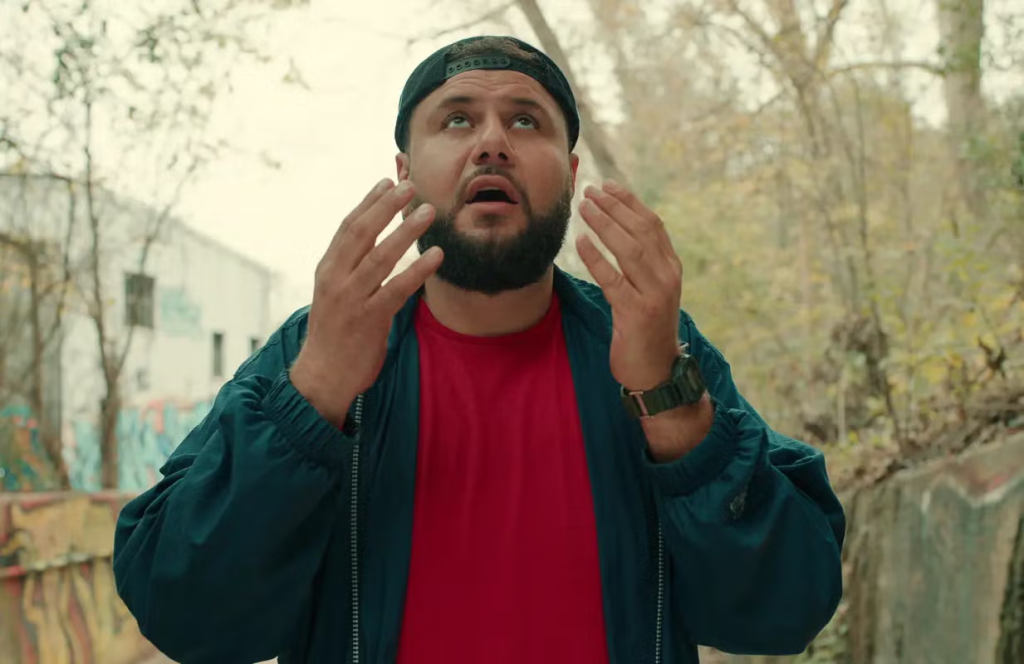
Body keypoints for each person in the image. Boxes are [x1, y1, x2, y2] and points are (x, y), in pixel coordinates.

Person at [113, 36, 845, 664]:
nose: (491, 142)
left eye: (526, 121)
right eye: (456, 119)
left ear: (571, 173)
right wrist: (318, 392)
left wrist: (669, 400)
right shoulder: (315, 349)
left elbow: (782, 614)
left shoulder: (656, 342)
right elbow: (188, 614)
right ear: (404, 172)